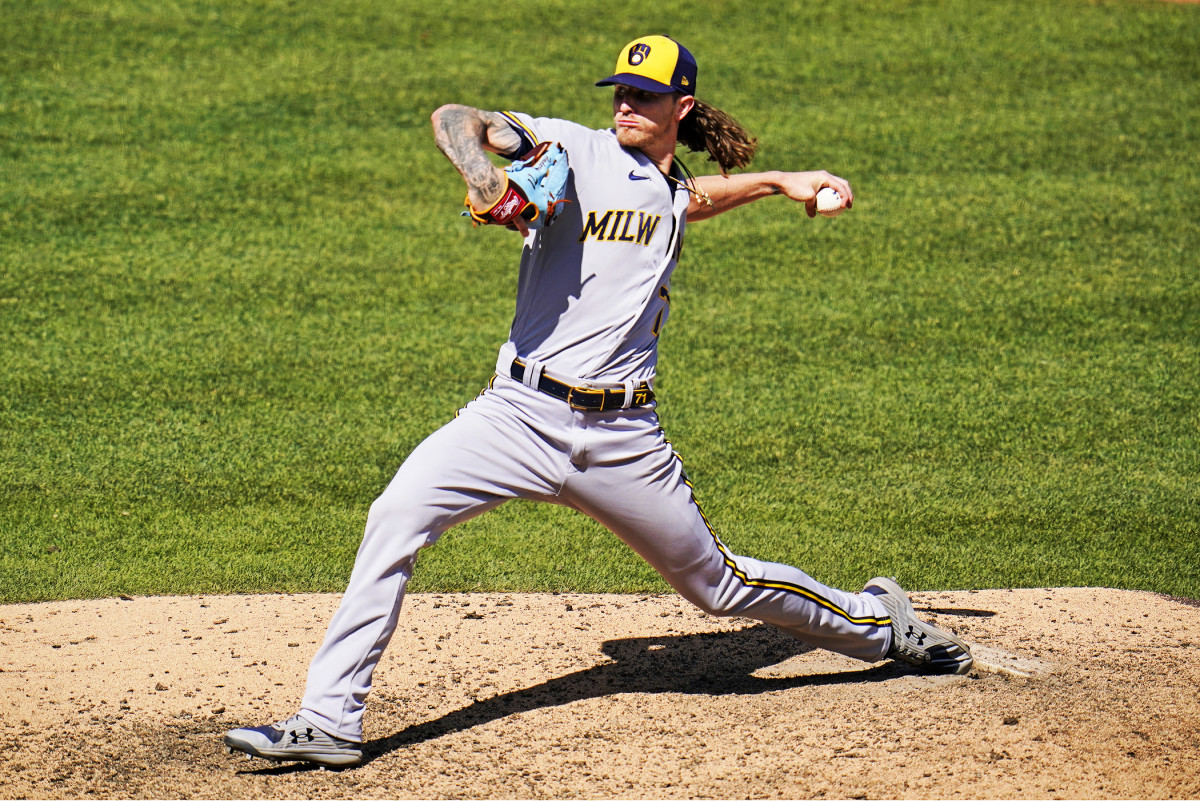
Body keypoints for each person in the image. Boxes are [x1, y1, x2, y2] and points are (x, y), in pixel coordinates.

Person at [223, 34, 973, 769]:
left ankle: (882, 625)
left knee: (717, 585)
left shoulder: (667, 188)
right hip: (515, 418)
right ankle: (330, 718)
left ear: (681, 105)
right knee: (396, 514)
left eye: (643, 96)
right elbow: (459, 118)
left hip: (623, 437)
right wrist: (487, 179)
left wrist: (781, 180)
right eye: (619, 91)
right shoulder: (571, 150)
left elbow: (685, 200)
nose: (625, 104)